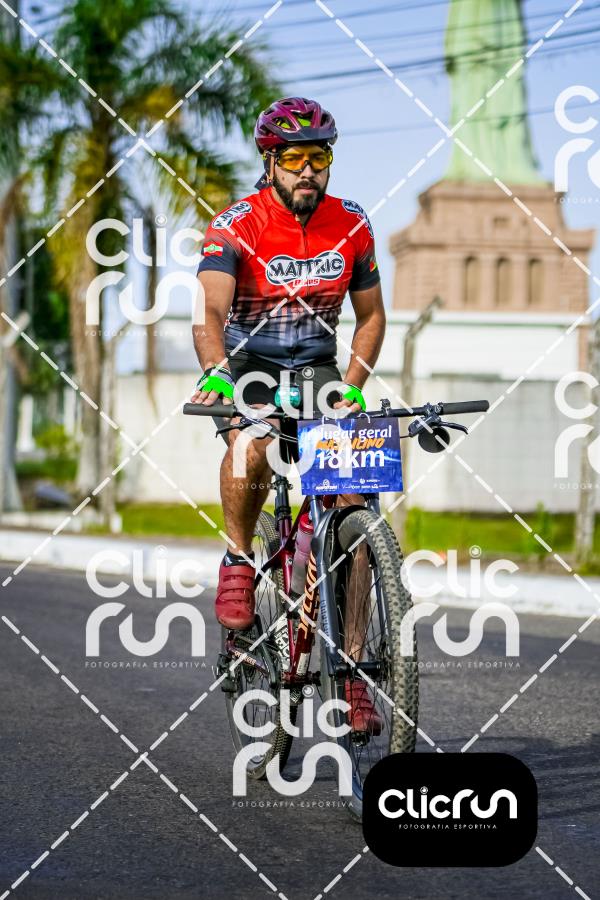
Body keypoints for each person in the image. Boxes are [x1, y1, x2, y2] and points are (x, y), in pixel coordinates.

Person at [191, 97, 385, 733]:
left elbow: (371, 317)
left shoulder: (352, 223)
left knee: (355, 501)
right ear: (270, 161)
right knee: (253, 446)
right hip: (249, 366)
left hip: (318, 371)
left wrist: (353, 388)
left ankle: (352, 669)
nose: (308, 170)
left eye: (319, 157)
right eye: (295, 158)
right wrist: (217, 369)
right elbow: (209, 313)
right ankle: (238, 559)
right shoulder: (237, 225)